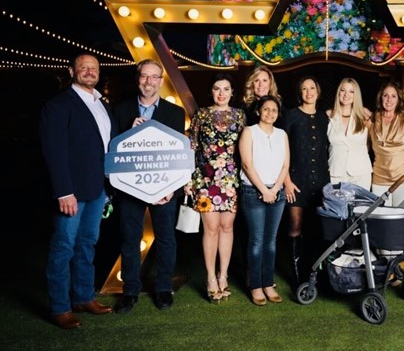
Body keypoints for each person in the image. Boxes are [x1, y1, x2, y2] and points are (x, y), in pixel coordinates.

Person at [39, 53, 116, 329]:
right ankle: (60, 307)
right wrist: (63, 192)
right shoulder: (59, 105)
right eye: (83, 67)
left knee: (87, 244)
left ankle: (83, 296)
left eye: (93, 68)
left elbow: (106, 145)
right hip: (71, 191)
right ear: (71, 71)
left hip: (97, 189)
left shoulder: (102, 104)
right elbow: (54, 151)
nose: (88, 71)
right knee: (63, 247)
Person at [112, 59, 186, 314]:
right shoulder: (120, 111)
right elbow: (112, 151)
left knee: (166, 239)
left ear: (161, 81)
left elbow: (178, 154)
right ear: (138, 79)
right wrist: (126, 133)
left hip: (165, 190)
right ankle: (130, 290)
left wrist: (171, 188)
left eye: (155, 77)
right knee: (130, 239)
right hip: (129, 189)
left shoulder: (174, 113)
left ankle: (163, 287)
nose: (149, 82)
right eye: (145, 76)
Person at [186, 73, 245, 303]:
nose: (221, 93)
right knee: (211, 227)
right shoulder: (201, 114)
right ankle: (210, 278)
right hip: (205, 178)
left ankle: (224, 276)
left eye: (226, 89)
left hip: (230, 178)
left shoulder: (240, 115)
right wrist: (189, 181)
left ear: (232, 92)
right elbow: (192, 146)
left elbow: (245, 147)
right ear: (211, 92)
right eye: (217, 89)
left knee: (227, 227)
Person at [238, 95, 289, 306]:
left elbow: (286, 165)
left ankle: (268, 283)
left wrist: (275, 189)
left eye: (274, 110)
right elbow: (247, 165)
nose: (270, 113)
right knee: (257, 241)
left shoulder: (282, 134)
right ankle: (256, 286)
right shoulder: (249, 132)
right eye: (266, 109)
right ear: (258, 111)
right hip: (253, 191)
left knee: (271, 242)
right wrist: (264, 190)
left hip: (277, 192)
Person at [282, 76, 330, 290]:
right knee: (295, 226)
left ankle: (315, 273)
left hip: (320, 181)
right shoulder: (290, 116)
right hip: (296, 180)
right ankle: (298, 276)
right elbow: (281, 150)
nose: (308, 92)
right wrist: (286, 181)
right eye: (304, 88)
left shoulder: (324, 118)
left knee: (316, 227)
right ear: (299, 92)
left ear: (318, 92)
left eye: (312, 88)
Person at [368, 80, 404, 207]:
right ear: (380, 97)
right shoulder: (371, 120)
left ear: (399, 99)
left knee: (403, 222)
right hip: (379, 179)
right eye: (385, 95)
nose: (389, 99)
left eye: (393, 96)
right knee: (382, 223)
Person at [326, 77, 373, 191]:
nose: (346, 94)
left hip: (361, 172)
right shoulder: (329, 115)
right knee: (337, 208)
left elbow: (374, 141)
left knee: (360, 208)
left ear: (356, 95)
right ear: (338, 92)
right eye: (343, 90)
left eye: (351, 91)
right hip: (336, 171)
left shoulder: (364, 114)